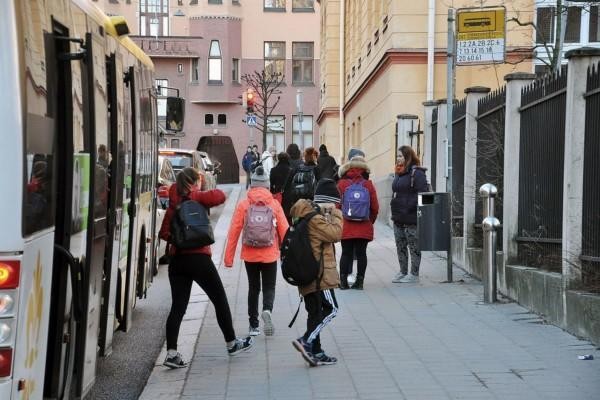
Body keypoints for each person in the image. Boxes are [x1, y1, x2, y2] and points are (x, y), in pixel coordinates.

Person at [159, 167, 253, 368]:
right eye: (198, 182)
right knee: (219, 299)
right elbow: (219, 196)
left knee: (178, 307)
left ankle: (172, 353)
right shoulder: (197, 198)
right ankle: (231, 343)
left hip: (178, 261)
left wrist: (178, 238)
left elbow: (163, 232)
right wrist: (196, 194)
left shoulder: (173, 205)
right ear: (193, 183)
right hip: (199, 259)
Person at [224, 166, 289, 336]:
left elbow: (234, 232)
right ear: (267, 185)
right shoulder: (274, 204)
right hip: (270, 254)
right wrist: (290, 255)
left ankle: (253, 325)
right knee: (269, 287)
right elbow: (285, 231)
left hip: (250, 254)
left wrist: (228, 259)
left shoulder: (244, 204)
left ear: (252, 185)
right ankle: (267, 309)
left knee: (253, 288)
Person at [290, 178, 343, 367]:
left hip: (306, 274)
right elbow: (335, 234)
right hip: (320, 276)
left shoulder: (303, 215)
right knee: (332, 309)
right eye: (335, 203)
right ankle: (306, 341)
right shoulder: (316, 219)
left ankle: (316, 351)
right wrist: (336, 214)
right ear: (330, 202)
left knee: (315, 313)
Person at [336, 150, 379, 290]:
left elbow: (337, 206)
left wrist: (340, 220)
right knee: (361, 254)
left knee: (346, 253)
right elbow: (375, 207)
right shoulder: (368, 184)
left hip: (346, 225)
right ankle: (359, 282)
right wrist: (369, 222)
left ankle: (343, 281)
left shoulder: (342, 184)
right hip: (363, 225)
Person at [391, 146, 429, 283]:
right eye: (397, 156)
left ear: (408, 157)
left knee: (413, 246)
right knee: (400, 245)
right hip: (398, 216)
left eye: (400, 156)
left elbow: (422, 193)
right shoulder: (399, 173)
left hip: (411, 216)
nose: (398, 159)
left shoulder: (417, 173)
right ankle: (403, 271)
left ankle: (414, 274)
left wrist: (409, 207)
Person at [282, 147, 321, 224]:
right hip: (311, 200)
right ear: (314, 157)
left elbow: (288, 183)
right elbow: (320, 184)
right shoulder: (316, 169)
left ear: (305, 157)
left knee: (297, 221)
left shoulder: (298, 168)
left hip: (297, 199)